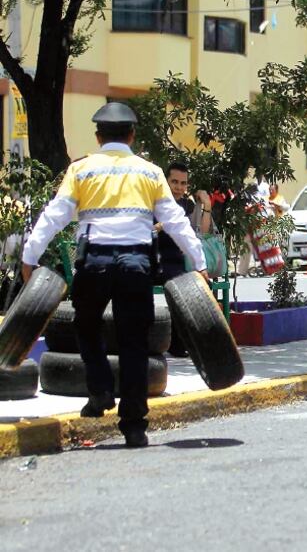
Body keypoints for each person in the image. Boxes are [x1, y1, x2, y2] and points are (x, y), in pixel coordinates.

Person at [20, 102, 207, 448]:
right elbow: (177, 221)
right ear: (132, 135)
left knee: (85, 327)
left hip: (94, 263)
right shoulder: (150, 173)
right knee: (135, 342)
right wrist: (199, 261)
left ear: (97, 135)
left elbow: (54, 215)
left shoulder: (82, 170)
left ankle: (101, 389)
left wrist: (29, 256)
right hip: (136, 265)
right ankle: (134, 426)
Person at [156, 162, 213, 356]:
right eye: (175, 182)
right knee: (179, 286)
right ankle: (176, 344)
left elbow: (202, 233)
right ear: (166, 182)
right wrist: (162, 225)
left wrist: (207, 206)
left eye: (183, 183)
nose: (179, 187)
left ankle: (205, 340)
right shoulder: (154, 203)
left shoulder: (187, 205)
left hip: (181, 263)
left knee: (203, 286)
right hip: (156, 262)